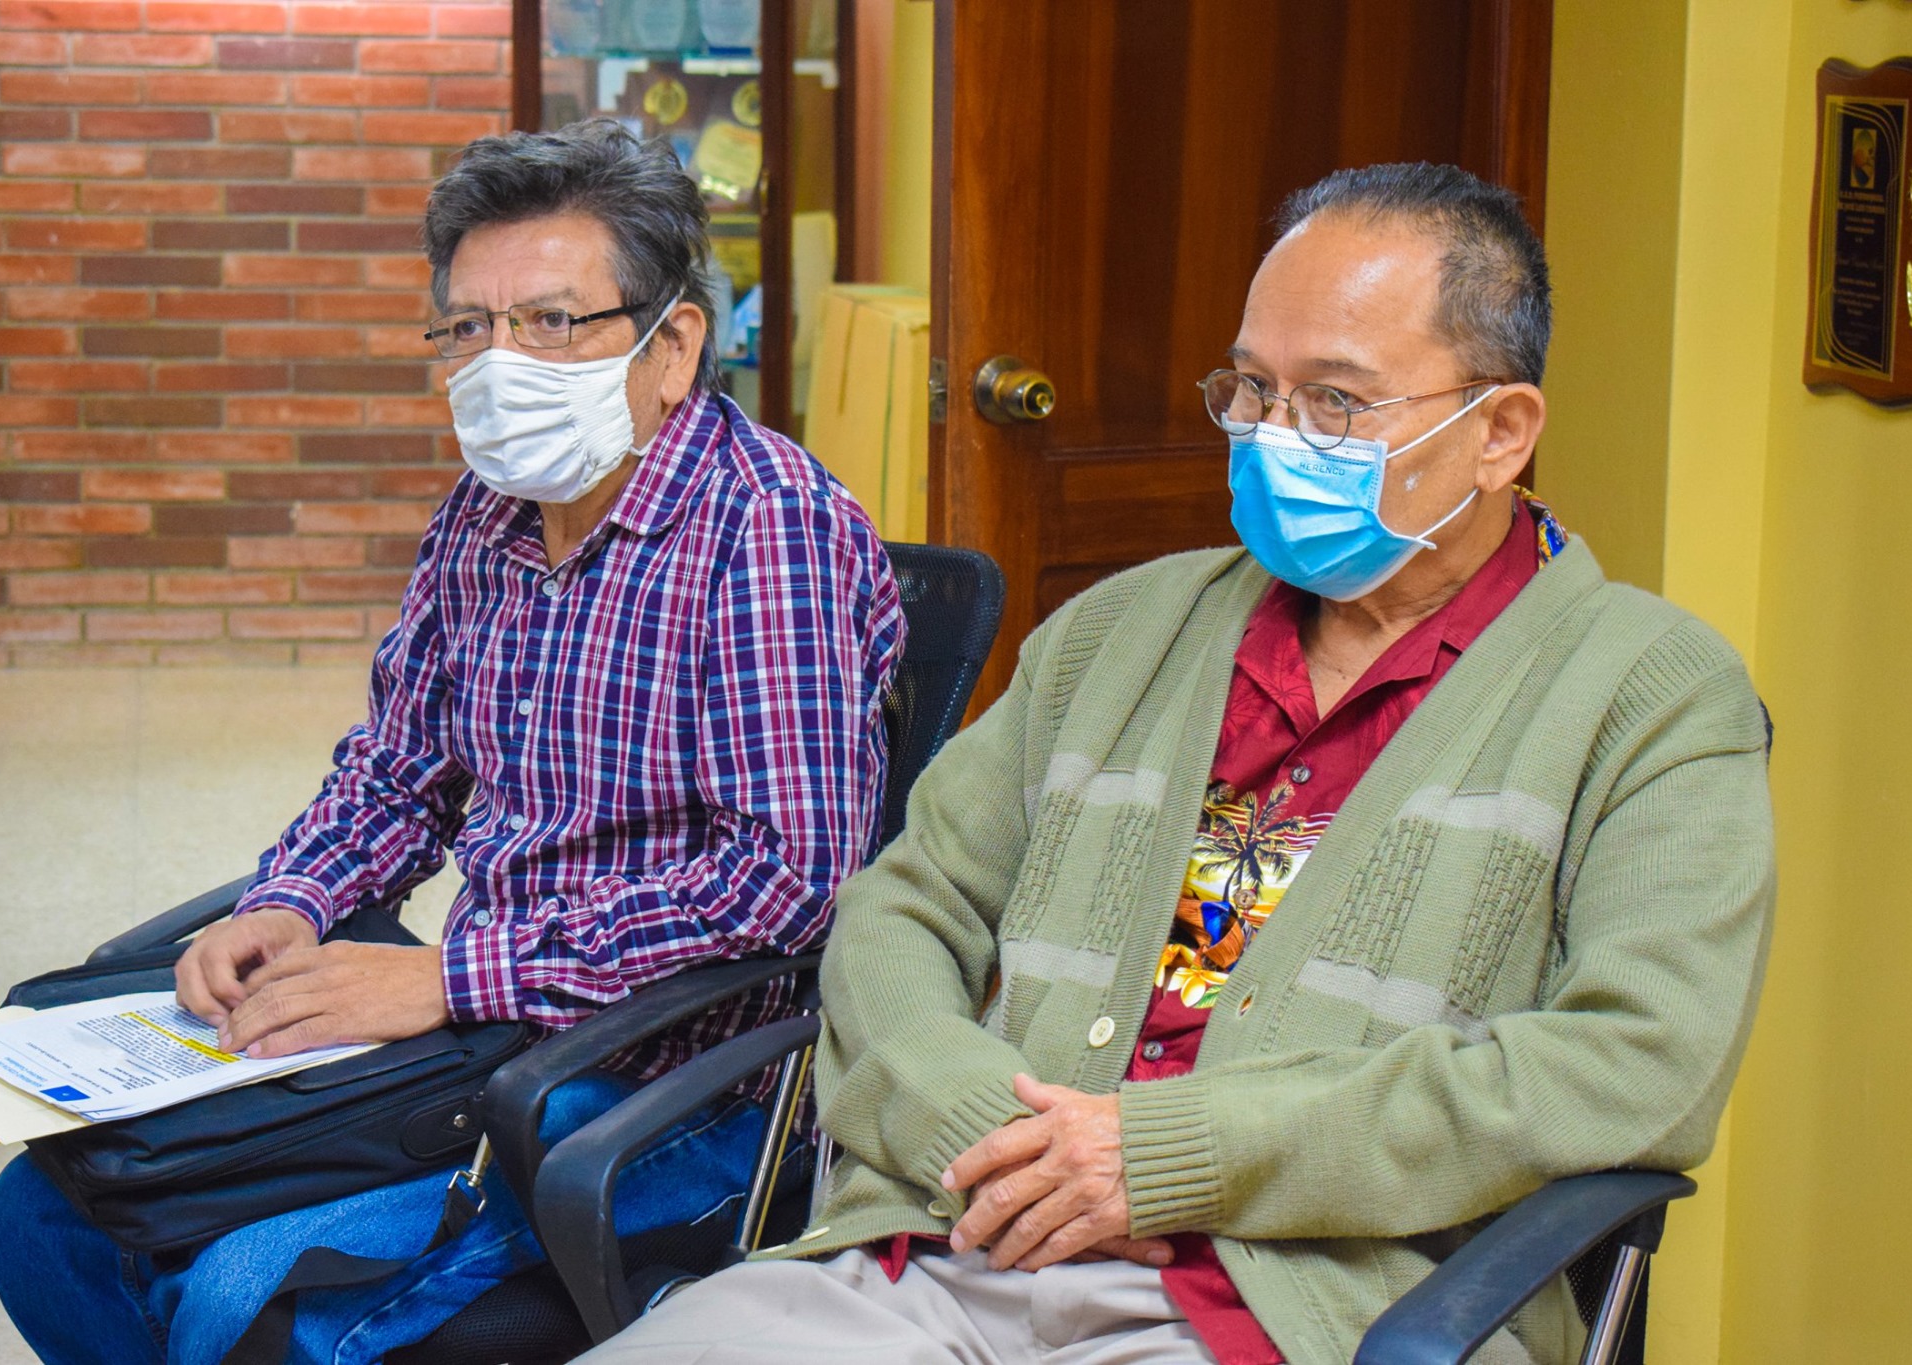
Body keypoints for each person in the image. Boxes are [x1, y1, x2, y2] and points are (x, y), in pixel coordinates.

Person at [569, 163, 1776, 1365]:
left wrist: (1166, 1158)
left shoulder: (1649, 694)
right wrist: (986, 1134)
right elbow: (903, 910)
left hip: (1300, 1314)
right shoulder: (1116, 630)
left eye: (1334, 401)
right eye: (1250, 388)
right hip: (948, 1250)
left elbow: (1635, 1062)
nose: (1270, 436)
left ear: (1498, 433)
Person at [0, 121, 907, 1365]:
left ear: (673, 344)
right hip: (489, 1033)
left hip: (683, 1087)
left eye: (550, 321)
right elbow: (398, 770)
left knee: (248, 1298)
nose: (498, 363)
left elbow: (790, 883)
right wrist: (293, 901)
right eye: (468, 327)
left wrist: (450, 980)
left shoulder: (768, 530)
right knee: (47, 1221)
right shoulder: (487, 512)